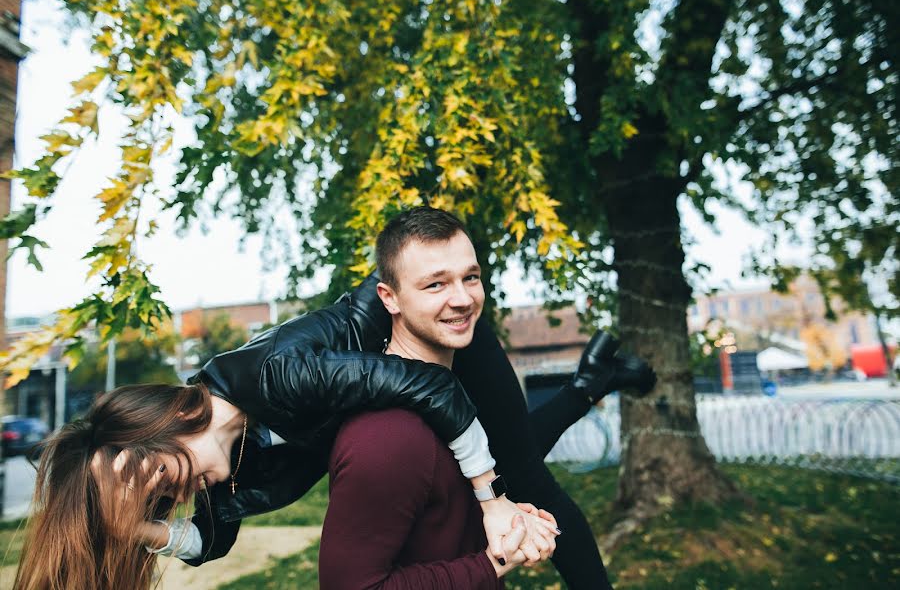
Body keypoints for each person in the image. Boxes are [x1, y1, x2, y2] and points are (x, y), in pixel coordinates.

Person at [14, 205, 654, 590]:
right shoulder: (228, 468)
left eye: (157, 477)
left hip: (426, 329)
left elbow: (426, 385)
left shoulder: (275, 378)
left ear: (160, 426)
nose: (172, 495)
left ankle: (588, 383)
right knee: (500, 460)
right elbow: (211, 541)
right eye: (157, 498)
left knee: (526, 478)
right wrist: (142, 527)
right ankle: (592, 383)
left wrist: (493, 503)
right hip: (401, 379)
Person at [319, 206, 556, 587]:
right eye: (436, 284)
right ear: (390, 298)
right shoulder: (388, 436)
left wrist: (509, 523)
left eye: (471, 277)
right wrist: (494, 562)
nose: (462, 299)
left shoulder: (449, 403)